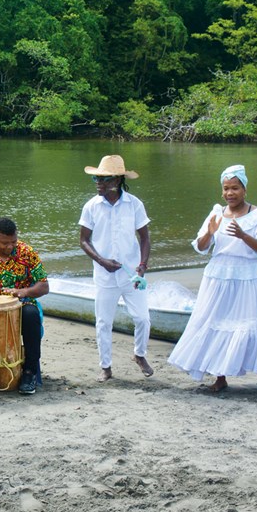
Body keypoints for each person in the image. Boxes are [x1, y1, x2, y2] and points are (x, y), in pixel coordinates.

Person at [167, 165, 257, 393]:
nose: (230, 193)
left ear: (244, 189)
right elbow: (200, 247)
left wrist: (244, 235)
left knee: (251, 323)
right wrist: (209, 232)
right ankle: (220, 376)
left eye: (235, 188)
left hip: (248, 275)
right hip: (218, 275)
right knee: (215, 322)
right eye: (226, 189)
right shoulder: (216, 213)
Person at [78, 154, 154, 382]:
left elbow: (145, 238)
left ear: (118, 180)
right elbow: (83, 240)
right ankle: (106, 367)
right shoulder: (91, 206)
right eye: (96, 180)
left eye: (104, 179)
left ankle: (139, 355)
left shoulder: (134, 204)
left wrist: (142, 266)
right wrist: (102, 261)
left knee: (142, 319)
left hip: (131, 274)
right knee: (104, 322)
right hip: (104, 275)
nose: (98, 184)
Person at [0, 217, 49, 394]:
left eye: (13, 242)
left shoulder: (27, 252)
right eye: (4, 243)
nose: (10, 246)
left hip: (22, 304)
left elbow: (44, 286)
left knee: (31, 315)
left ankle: (29, 372)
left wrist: (24, 292)